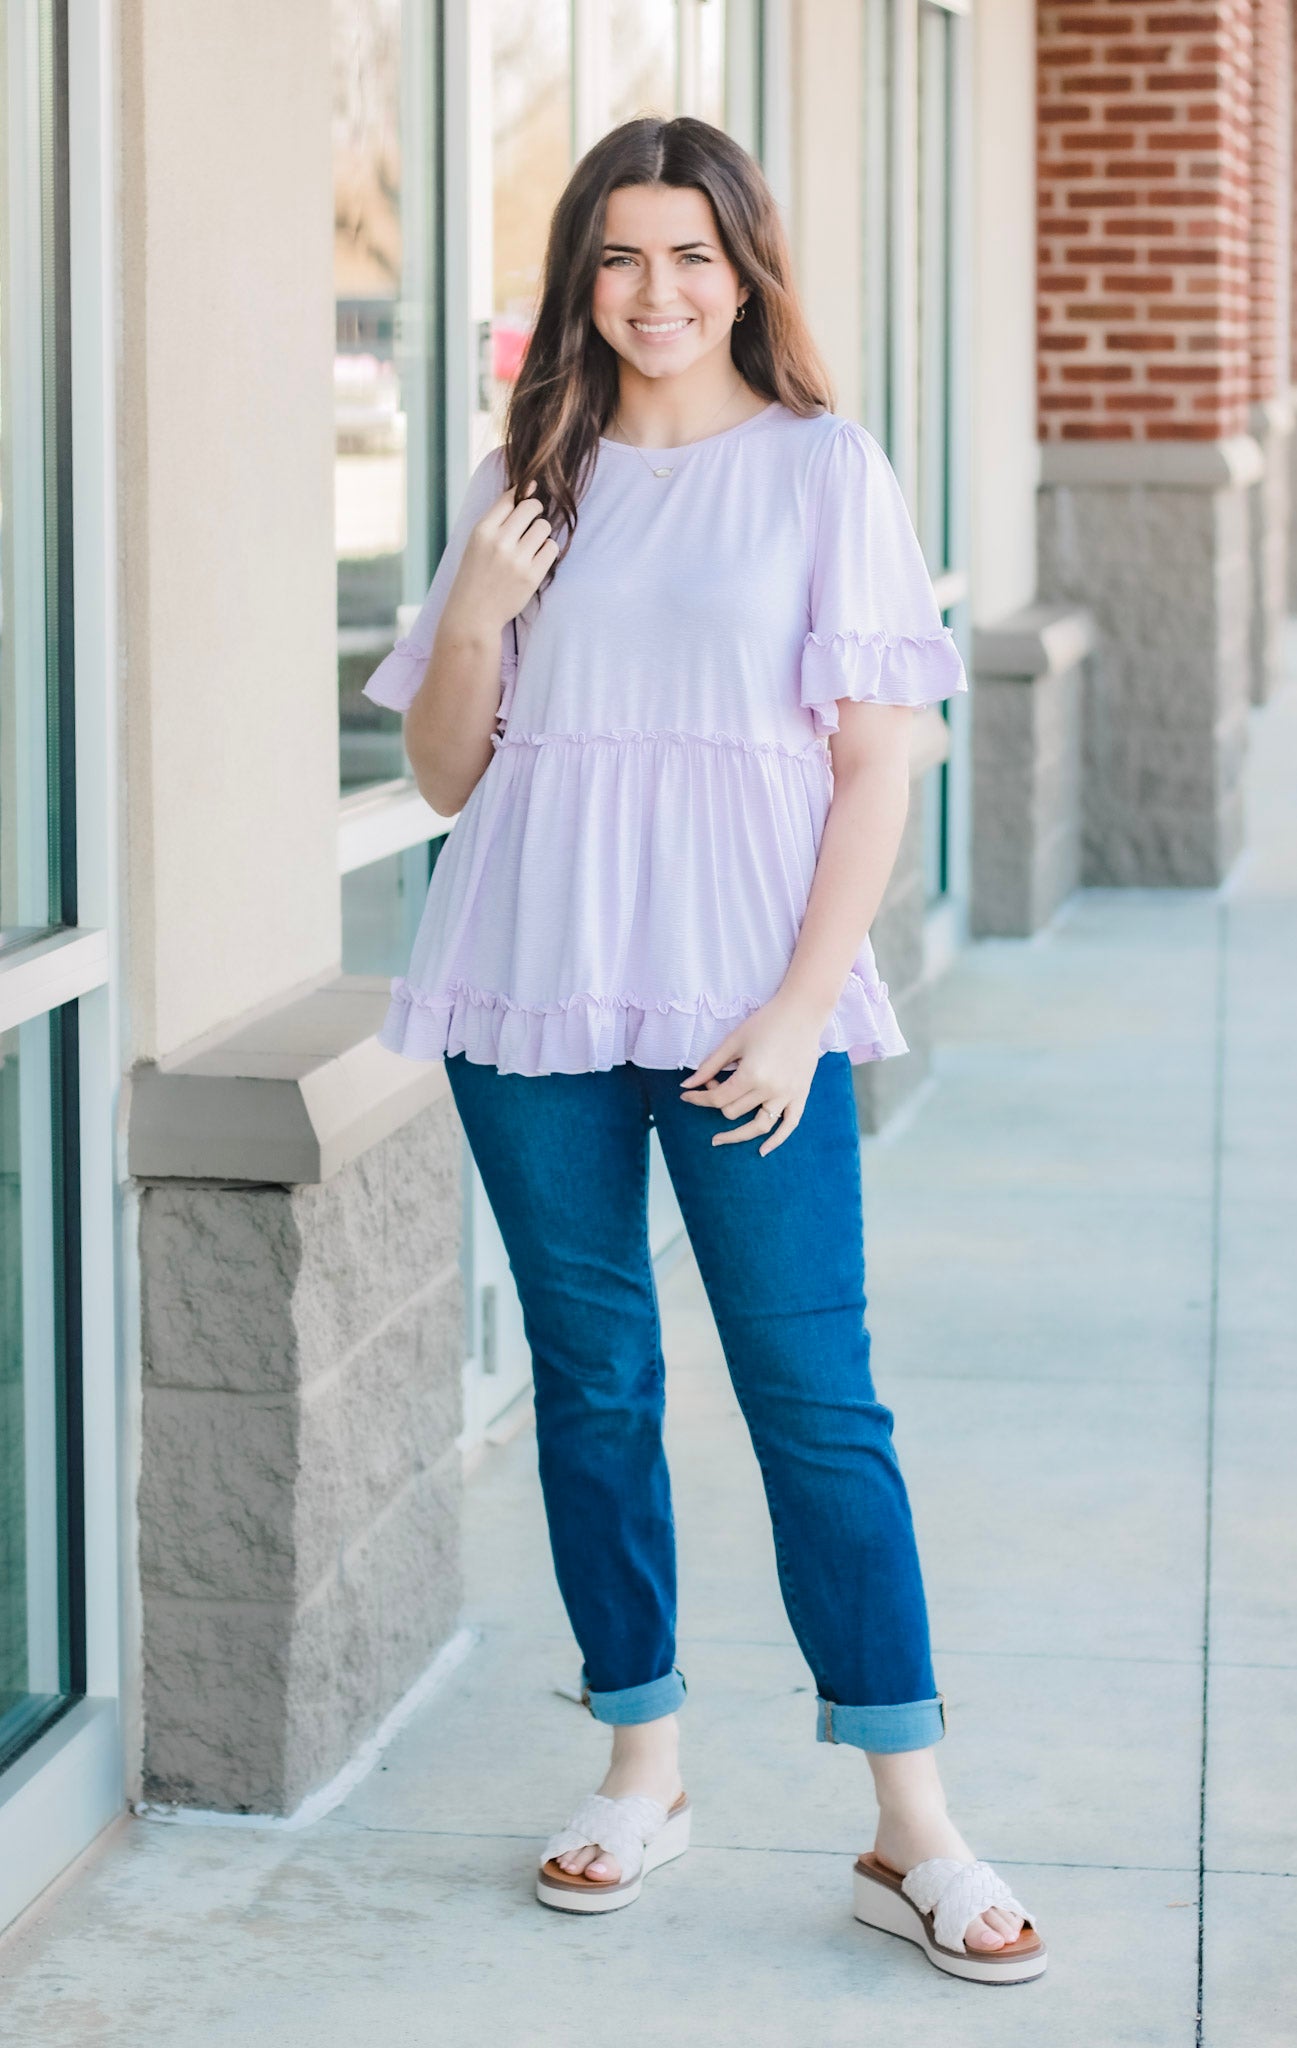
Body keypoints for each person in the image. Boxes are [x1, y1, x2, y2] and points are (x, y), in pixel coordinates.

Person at [363, 115, 1046, 1986]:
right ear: (576, 275)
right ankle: (639, 1765)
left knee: (812, 1394)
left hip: (751, 1006)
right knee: (593, 1381)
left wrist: (807, 1003)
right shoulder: (525, 476)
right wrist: (476, 614)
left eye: (690, 255)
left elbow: (874, 760)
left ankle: (909, 1826)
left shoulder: (822, 467)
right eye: (617, 255)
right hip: (532, 988)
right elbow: (446, 777)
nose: (653, 291)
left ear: (743, 272)